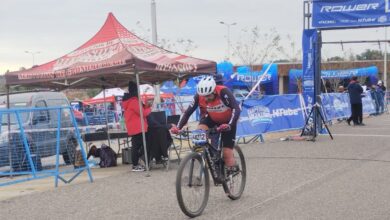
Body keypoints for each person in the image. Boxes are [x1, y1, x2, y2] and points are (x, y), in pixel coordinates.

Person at [170, 76, 241, 176]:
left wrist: (230, 125)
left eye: (208, 96)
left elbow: (236, 109)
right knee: (199, 133)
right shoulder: (199, 96)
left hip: (228, 121)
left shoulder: (223, 92)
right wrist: (178, 128)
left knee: (226, 152)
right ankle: (207, 155)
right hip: (211, 118)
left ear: (214, 91)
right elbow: (187, 113)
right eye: (204, 96)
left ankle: (232, 170)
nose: (206, 98)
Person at [122, 81, 152, 172]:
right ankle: (135, 164)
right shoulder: (133, 101)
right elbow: (143, 113)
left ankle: (137, 163)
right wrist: (149, 108)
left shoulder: (129, 101)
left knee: (136, 146)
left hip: (134, 127)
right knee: (140, 146)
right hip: (138, 128)